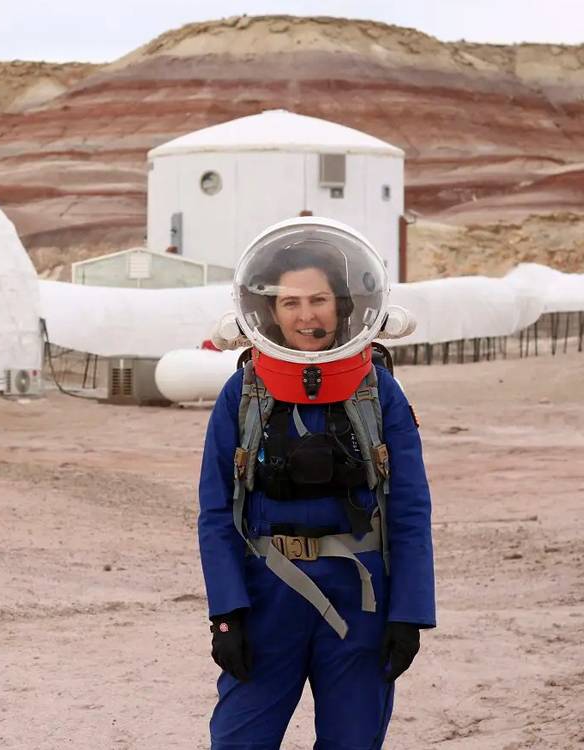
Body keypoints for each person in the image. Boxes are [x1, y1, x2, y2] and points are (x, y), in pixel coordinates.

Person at [197, 217, 435, 749]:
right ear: (270, 312)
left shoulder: (380, 394)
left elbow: (410, 510)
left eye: (320, 300)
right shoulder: (243, 395)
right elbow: (215, 512)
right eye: (290, 302)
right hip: (264, 600)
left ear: (343, 304)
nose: (307, 315)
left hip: (361, 601)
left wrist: (410, 615)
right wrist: (227, 615)